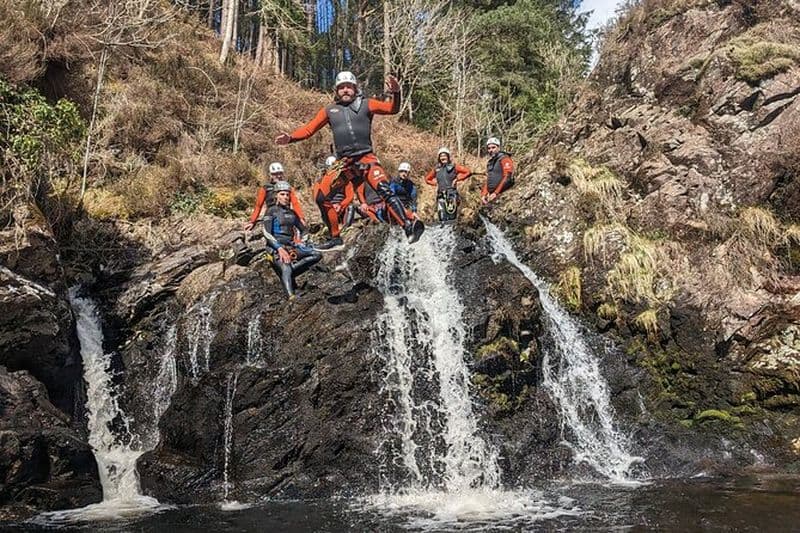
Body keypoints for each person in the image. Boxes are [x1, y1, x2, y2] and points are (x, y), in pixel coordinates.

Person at [274, 71, 423, 246]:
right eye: (341, 87)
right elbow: (308, 130)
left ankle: (407, 226)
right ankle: (335, 237)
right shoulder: (330, 110)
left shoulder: (367, 104)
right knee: (322, 197)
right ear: (336, 91)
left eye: (349, 87)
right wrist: (291, 137)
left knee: (385, 190)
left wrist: (397, 93)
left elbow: (392, 109)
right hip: (344, 163)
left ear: (355, 88)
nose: (345, 90)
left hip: (366, 159)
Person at [261, 181, 321, 299]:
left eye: (287, 195)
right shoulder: (271, 211)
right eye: (282, 194)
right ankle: (291, 297)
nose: (286, 197)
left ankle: (290, 273)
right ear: (276, 195)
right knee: (286, 267)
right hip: (274, 248)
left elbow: (304, 230)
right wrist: (279, 249)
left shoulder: (292, 213)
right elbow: (266, 233)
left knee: (316, 254)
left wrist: (303, 243)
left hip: (291, 246)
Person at [243, 162, 305, 231]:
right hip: (271, 216)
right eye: (275, 174)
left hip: (285, 214)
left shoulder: (288, 187)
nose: (278, 176)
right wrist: (252, 221)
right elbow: (258, 205)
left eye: (280, 173)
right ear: (271, 175)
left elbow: (295, 203)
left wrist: (301, 218)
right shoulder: (265, 188)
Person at [312, 155, 354, 250]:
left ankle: (345, 228)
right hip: (328, 208)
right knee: (324, 206)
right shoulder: (320, 182)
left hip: (341, 208)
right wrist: (331, 206)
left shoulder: (346, 182)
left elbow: (350, 196)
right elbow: (317, 198)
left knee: (351, 207)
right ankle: (334, 234)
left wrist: (341, 205)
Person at [424, 147, 471, 222]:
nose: (443, 157)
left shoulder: (454, 166)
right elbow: (427, 179)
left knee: (451, 217)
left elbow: (468, 172)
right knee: (442, 217)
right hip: (441, 195)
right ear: (439, 158)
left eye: (445, 155)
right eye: (441, 156)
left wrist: (457, 179)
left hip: (451, 194)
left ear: (448, 157)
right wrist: (434, 183)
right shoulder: (436, 169)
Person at [481, 137, 514, 205]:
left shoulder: (504, 158)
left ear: (498, 148)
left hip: (503, 194)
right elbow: (488, 179)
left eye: (493, 147)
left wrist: (496, 193)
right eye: (489, 148)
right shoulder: (490, 163)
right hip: (491, 195)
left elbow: (507, 177)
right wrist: (484, 194)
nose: (491, 150)